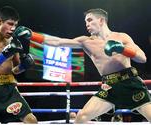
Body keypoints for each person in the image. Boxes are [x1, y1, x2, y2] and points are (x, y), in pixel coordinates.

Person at [13, 8, 151, 123]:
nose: (87, 24)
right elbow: (58, 42)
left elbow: (142, 58)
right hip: (110, 86)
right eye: (86, 21)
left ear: (101, 20)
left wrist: (122, 49)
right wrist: (32, 35)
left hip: (130, 83)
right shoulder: (86, 41)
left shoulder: (122, 37)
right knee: (81, 118)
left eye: (90, 20)